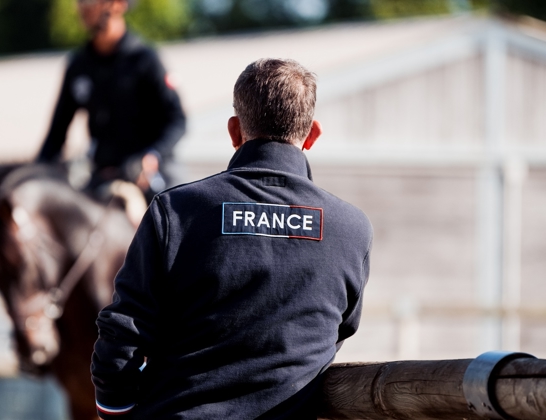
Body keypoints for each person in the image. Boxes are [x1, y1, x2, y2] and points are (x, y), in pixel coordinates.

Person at [90, 58, 373, 419]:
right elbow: (339, 329)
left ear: (235, 131)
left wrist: (118, 413)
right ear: (313, 134)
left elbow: (121, 340)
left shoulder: (176, 211)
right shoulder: (352, 229)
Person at [36, 0, 186, 203]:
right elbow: (56, 135)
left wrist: (153, 155)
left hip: (149, 176)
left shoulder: (145, 60)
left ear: (117, 5)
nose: (82, 7)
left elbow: (177, 119)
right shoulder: (78, 66)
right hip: (102, 177)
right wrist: (34, 174)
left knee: (177, 221)